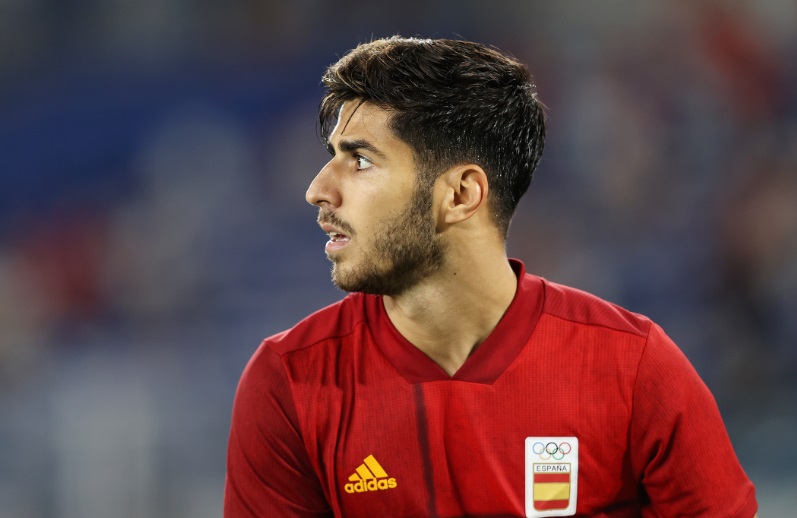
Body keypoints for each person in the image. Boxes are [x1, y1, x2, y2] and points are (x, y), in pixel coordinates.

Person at [224, 36, 758, 517]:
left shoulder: (634, 366)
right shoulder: (288, 380)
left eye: (360, 161)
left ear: (462, 194)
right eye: (333, 157)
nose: (318, 189)